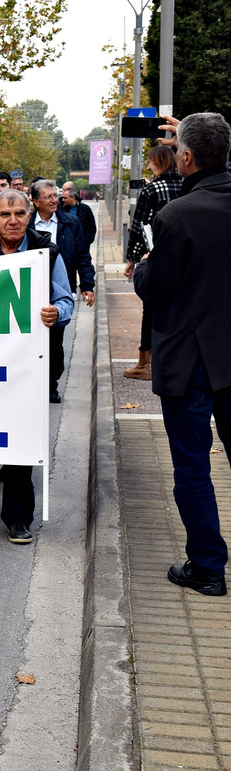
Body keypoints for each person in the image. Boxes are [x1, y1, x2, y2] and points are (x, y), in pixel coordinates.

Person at [133, 112, 231, 596]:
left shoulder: (176, 215)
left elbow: (156, 285)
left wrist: (142, 267)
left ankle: (208, 568)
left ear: (185, 157)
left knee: (192, 469)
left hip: (190, 361)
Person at [0, 188, 75, 544]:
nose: (13, 221)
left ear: (30, 216)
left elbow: (65, 299)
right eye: (5, 214)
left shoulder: (47, 253)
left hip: (27, 365)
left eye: (20, 214)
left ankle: (18, 517)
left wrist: (56, 313)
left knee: (20, 440)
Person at [29, 178, 95, 403]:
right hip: (30, 290)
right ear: (35, 201)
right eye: (48, 197)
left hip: (58, 288)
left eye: (55, 196)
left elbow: (82, 255)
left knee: (55, 339)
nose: (54, 200)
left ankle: (51, 385)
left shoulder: (70, 222)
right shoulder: (26, 223)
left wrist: (87, 284)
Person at [123, 145, 183, 381]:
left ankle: (145, 362)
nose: (148, 166)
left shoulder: (151, 190)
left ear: (159, 162)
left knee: (151, 306)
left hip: (157, 257)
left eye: (150, 162)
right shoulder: (188, 185)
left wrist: (132, 258)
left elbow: (140, 226)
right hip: (186, 256)